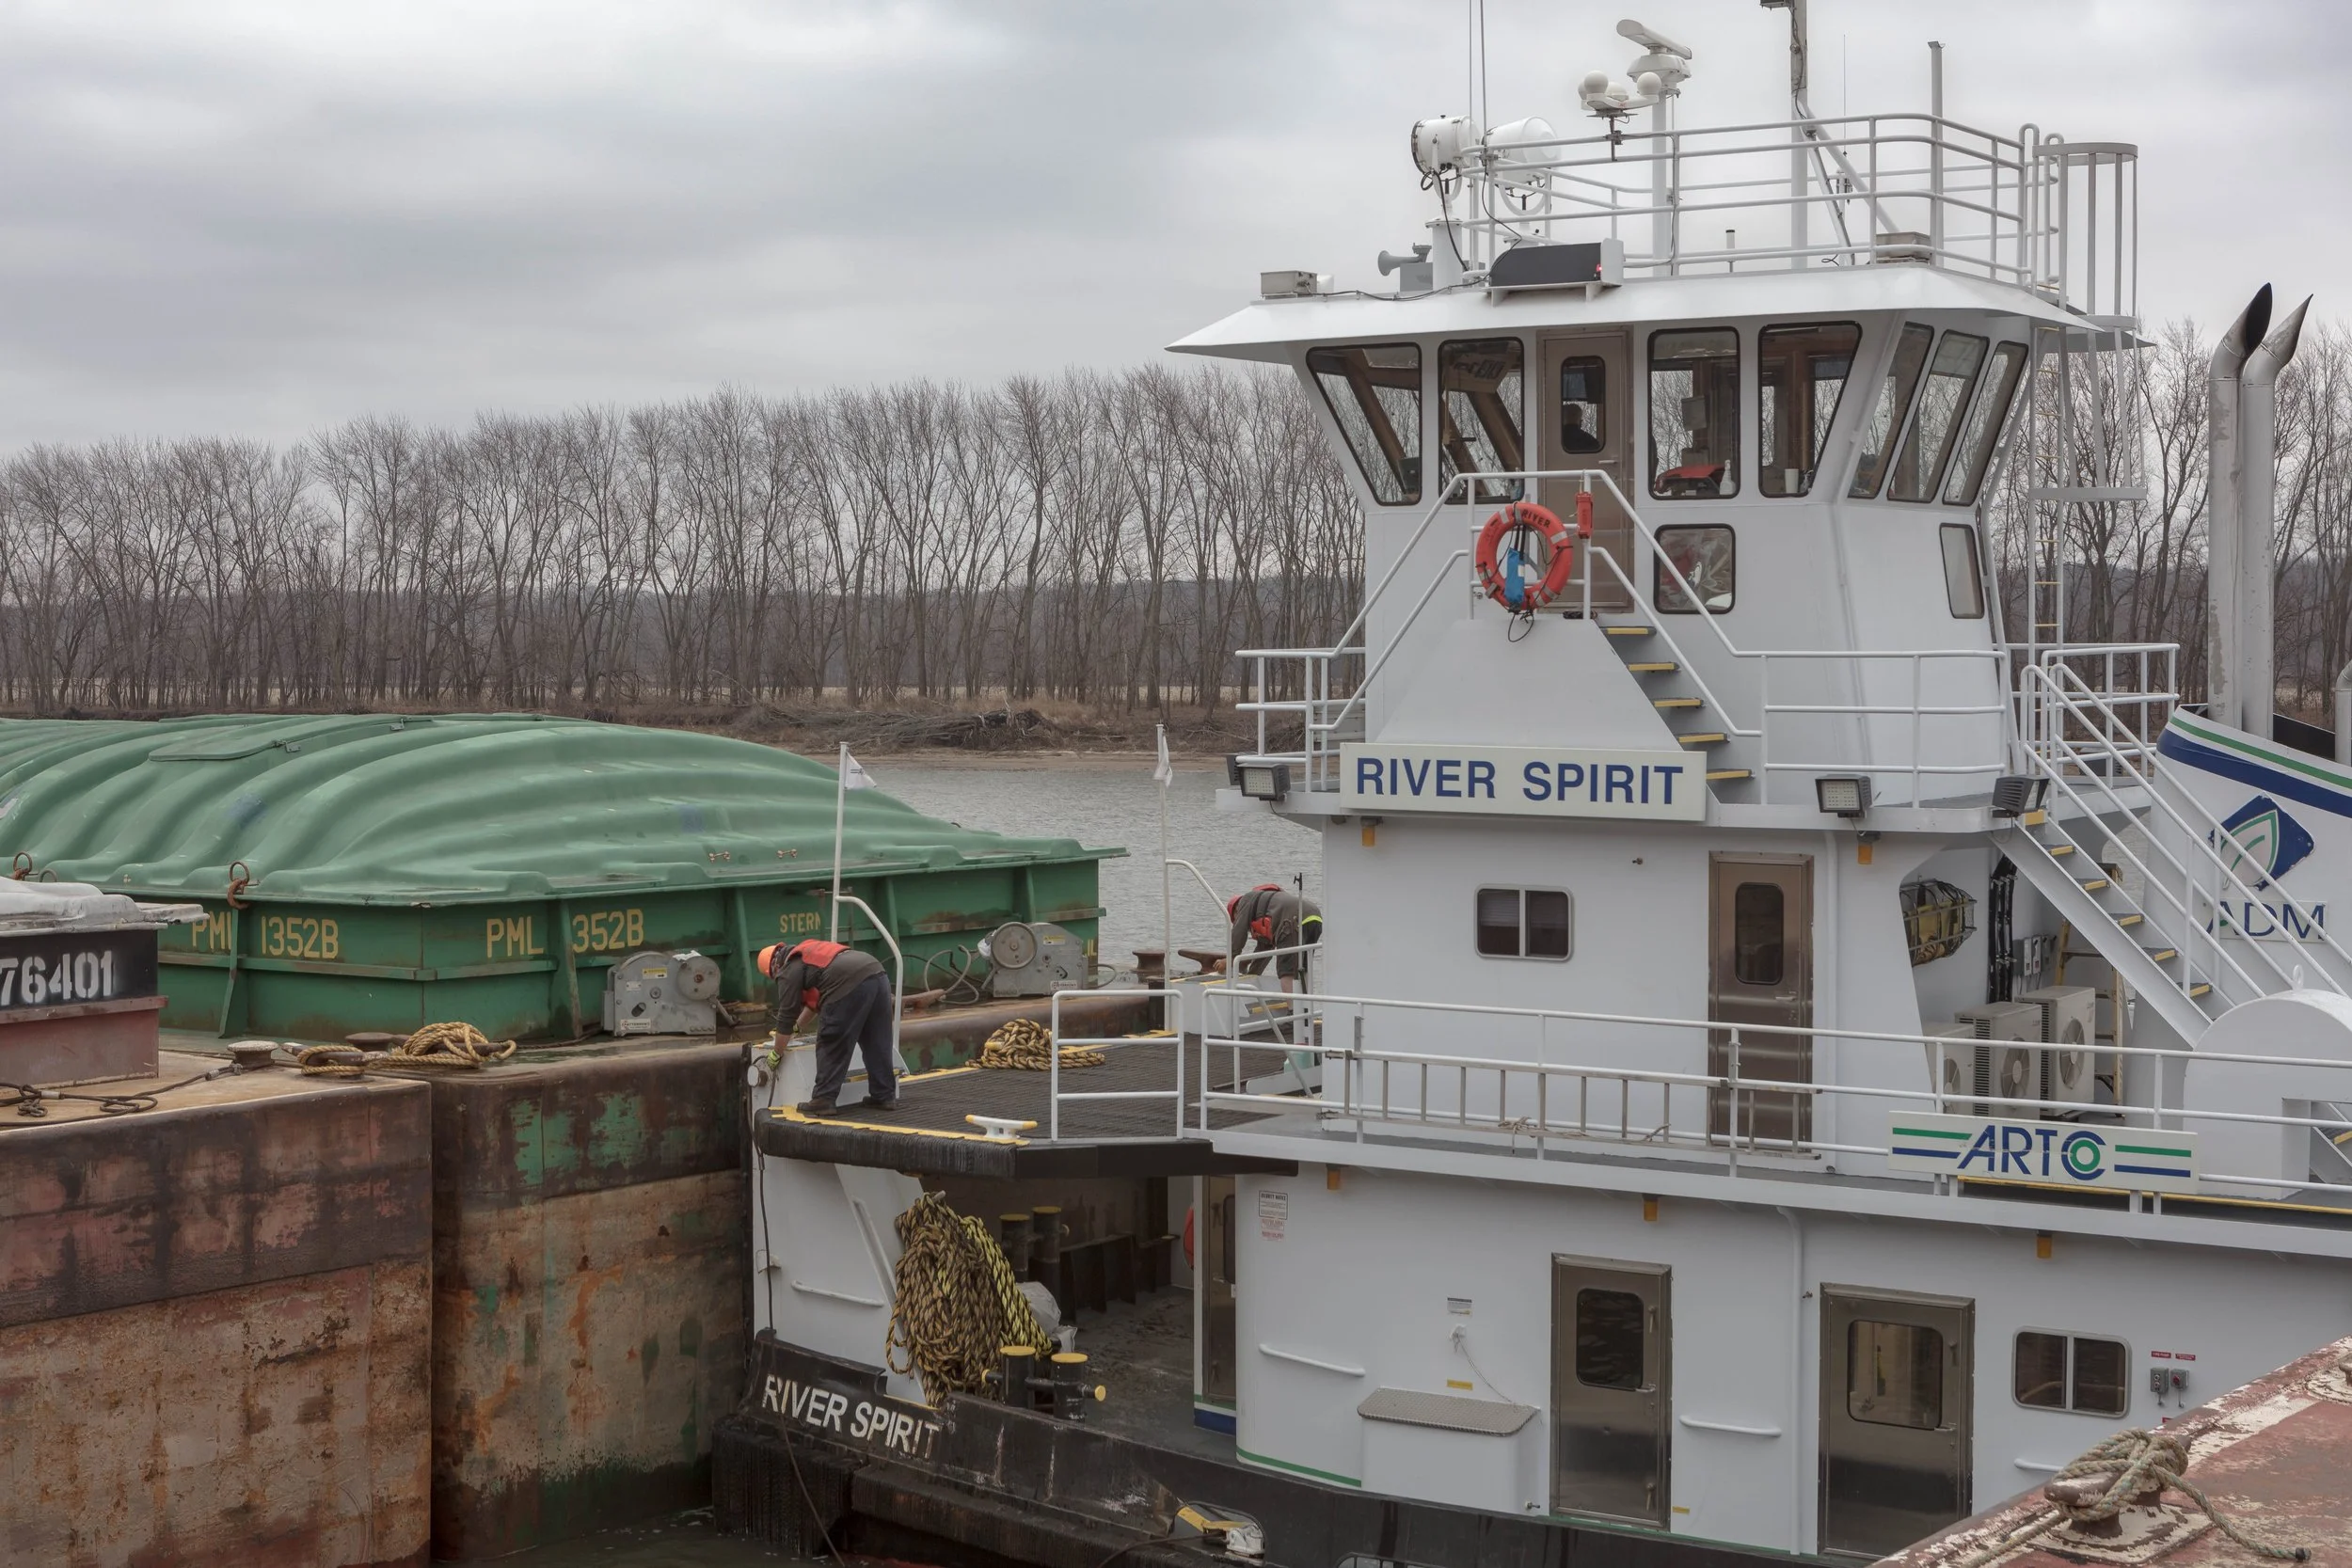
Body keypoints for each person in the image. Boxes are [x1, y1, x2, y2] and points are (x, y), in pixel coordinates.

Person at [759, 938, 898, 1116]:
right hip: (876, 973)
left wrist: (776, 1053)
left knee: (831, 1040)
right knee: (876, 1040)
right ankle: (884, 1095)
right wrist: (798, 1027)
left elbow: (786, 1016)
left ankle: (823, 1099)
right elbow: (814, 1003)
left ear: (774, 969)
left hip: (850, 981)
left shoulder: (788, 970)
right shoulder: (807, 953)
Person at [1224, 883, 1323, 985]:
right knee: (1303, 967)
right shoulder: (1265, 909)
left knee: (1286, 970)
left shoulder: (1245, 901)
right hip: (1315, 918)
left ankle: (1292, 1001)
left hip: (1292, 920)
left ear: (1236, 911)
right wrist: (1251, 977)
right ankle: (1305, 999)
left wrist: (1230, 959)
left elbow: (1239, 931)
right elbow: (1263, 953)